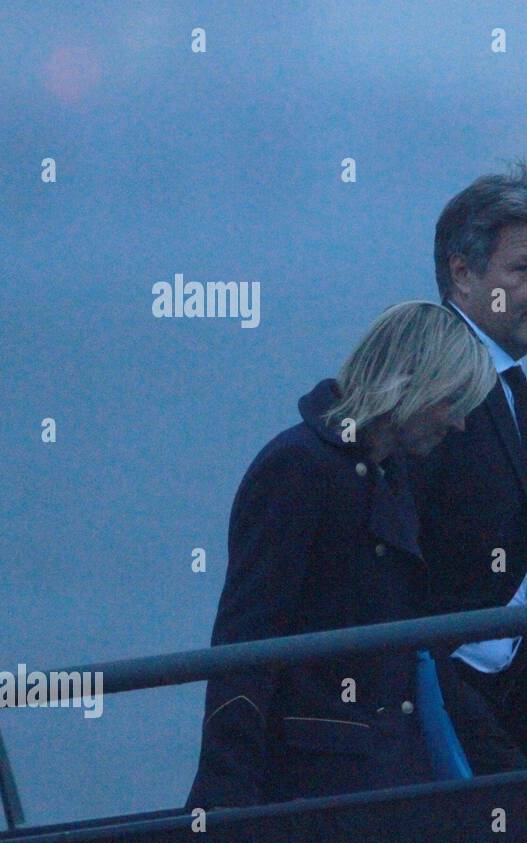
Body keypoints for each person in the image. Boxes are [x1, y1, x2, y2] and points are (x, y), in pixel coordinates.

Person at [186, 301, 496, 809]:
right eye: (452, 401)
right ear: (411, 381)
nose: (460, 424)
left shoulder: (389, 475)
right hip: (316, 787)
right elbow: (245, 644)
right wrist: (227, 800)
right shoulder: (296, 468)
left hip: (383, 779)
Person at [412, 161, 527, 775]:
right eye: (525, 269)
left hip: (512, 692)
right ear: (462, 274)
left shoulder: (504, 376)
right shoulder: (428, 388)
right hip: (449, 700)